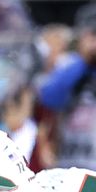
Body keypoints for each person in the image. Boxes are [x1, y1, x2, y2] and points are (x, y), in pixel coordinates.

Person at [38, 3, 96, 170]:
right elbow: (49, 98)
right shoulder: (69, 65)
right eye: (91, 35)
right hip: (68, 161)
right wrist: (85, 60)